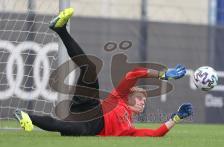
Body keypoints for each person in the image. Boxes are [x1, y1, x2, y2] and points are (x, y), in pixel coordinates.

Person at [14, 8, 193, 137]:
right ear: (129, 96)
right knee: (90, 68)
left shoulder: (130, 129)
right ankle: (60, 29)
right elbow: (134, 74)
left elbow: (155, 133)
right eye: (140, 98)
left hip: (92, 127)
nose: (142, 102)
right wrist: (162, 75)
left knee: (65, 128)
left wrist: (176, 117)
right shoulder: (118, 98)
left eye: (144, 100)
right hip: (91, 106)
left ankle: (25, 116)